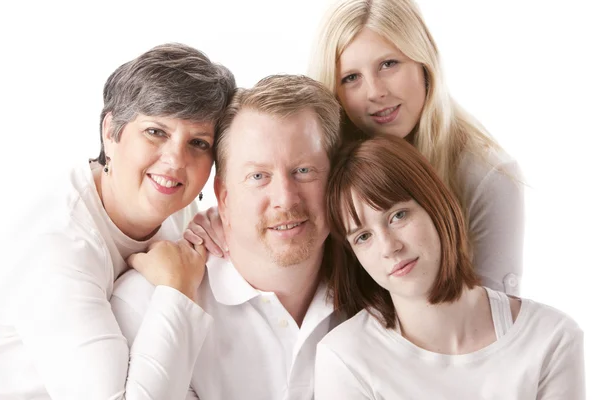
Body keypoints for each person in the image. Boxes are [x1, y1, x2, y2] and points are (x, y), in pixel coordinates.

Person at [189, 0, 524, 295]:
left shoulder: (487, 176)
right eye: (351, 77)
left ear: (424, 63)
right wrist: (225, 221)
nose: (375, 92)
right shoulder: (327, 155)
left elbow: (493, 322)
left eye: (389, 64)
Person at [0, 43, 236, 399]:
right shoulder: (57, 240)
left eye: (198, 143)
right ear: (111, 131)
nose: (175, 160)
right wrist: (178, 289)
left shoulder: (170, 206)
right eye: (156, 132)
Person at [110, 74, 344, 400]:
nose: (286, 198)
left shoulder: (374, 289)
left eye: (304, 171)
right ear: (223, 196)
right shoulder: (143, 304)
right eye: (258, 176)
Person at [314, 134, 585, 399]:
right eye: (363, 237)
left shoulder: (551, 338)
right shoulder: (346, 358)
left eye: (398, 216)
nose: (389, 248)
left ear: (436, 206)